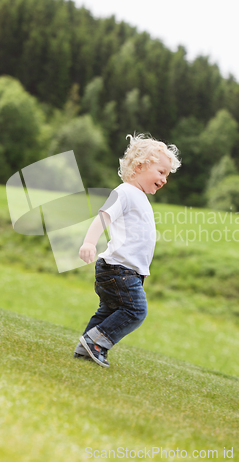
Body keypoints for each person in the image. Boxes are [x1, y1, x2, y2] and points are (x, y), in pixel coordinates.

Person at [74, 133, 181, 367]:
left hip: (125, 271)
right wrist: (89, 242)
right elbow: (103, 216)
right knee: (135, 310)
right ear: (140, 166)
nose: (164, 179)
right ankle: (96, 343)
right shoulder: (125, 192)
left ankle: (86, 349)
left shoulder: (138, 196)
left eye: (167, 175)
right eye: (161, 172)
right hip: (119, 270)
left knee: (108, 311)